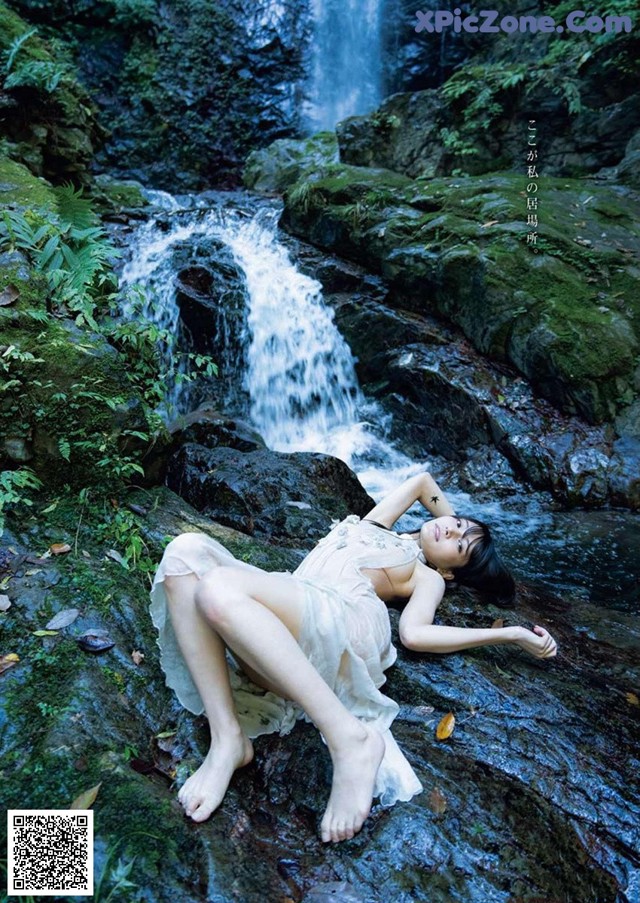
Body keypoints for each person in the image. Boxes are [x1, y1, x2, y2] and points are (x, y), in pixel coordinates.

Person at [150, 471, 557, 843]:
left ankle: (350, 739)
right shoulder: (378, 524)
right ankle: (228, 740)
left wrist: (508, 633)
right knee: (183, 552)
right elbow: (421, 483)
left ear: (451, 572)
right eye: (458, 525)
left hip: (344, 620)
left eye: (459, 544)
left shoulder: (428, 576)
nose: (451, 528)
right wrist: (457, 523)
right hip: (289, 611)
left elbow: (415, 634)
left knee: (217, 588)